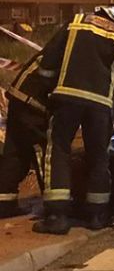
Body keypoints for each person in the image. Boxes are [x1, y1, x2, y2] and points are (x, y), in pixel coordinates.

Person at [33, 0, 114, 234]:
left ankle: (57, 216)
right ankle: (97, 215)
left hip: (66, 98)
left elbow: (48, 60)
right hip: (100, 105)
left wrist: (46, 87)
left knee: (60, 151)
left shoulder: (76, 23)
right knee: (98, 156)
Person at [0, 55, 50, 219]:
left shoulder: (68, 39)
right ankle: (53, 206)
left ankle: (4, 203)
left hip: (19, 97)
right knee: (44, 151)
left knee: (16, 150)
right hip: (33, 103)